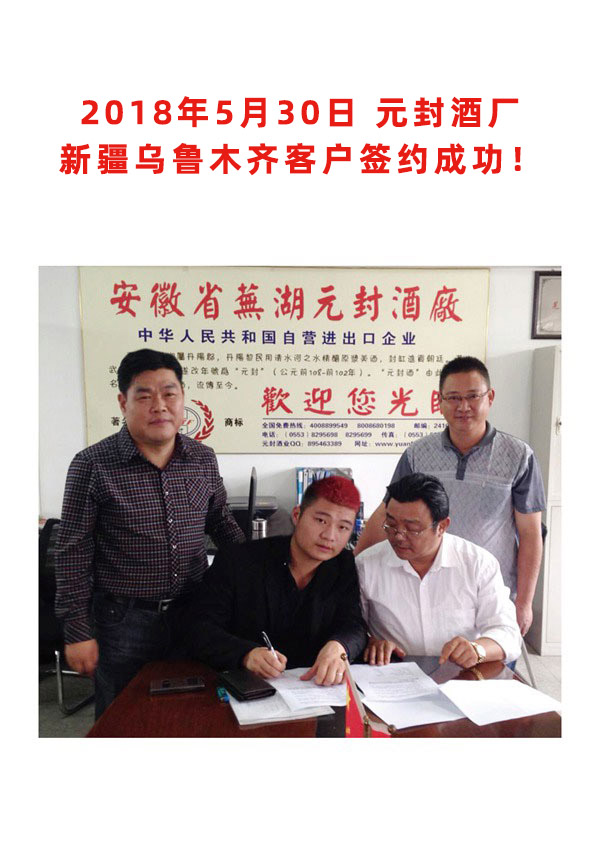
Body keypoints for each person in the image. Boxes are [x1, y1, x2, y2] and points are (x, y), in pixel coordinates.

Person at [54, 348, 245, 717]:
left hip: (194, 612)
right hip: (123, 621)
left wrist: (258, 574)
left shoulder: (202, 458)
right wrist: (78, 631)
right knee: (122, 716)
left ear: (183, 397)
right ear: (123, 402)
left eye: (169, 393)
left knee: (192, 711)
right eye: (144, 396)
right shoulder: (92, 465)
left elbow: (221, 523)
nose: (159, 405)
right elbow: (72, 552)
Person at [354, 355, 545, 637]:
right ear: (439, 401)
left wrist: (524, 603)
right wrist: (350, 570)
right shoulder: (418, 454)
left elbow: (530, 534)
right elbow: (387, 512)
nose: (463, 406)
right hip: (430, 591)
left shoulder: (518, 456)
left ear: (490, 397)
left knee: (488, 661)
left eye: (473, 396)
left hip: (489, 596)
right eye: (453, 397)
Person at [180, 476, 368, 685]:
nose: (330, 536)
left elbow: (354, 625)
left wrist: (340, 646)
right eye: (321, 521)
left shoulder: (343, 565)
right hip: (246, 686)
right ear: (297, 515)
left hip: (313, 688)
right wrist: (246, 654)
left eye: (343, 527)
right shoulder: (239, 561)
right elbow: (199, 628)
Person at [356, 474, 521, 668]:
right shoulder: (367, 565)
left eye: (412, 528)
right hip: (392, 672)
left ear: (442, 526)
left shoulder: (477, 564)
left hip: (460, 673)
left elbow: (508, 632)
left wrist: (478, 650)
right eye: (391, 525)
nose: (398, 536)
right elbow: (350, 627)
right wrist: (370, 641)